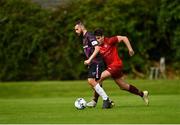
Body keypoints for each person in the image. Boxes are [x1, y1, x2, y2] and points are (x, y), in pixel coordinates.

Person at [86, 28, 149, 107]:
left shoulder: (110, 41)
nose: (97, 40)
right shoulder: (97, 47)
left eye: (98, 38)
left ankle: (95, 101)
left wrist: (130, 49)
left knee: (99, 78)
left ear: (103, 37)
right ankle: (142, 94)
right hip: (111, 68)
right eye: (96, 39)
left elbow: (124, 38)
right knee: (123, 86)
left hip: (116, 65)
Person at [74, 21, 113, 109]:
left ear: (81, 27)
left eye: (77, 29)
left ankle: (106, 99)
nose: (76, 31)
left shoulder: (89, 35)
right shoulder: (84, 38)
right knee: (96, 83)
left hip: (97, 62)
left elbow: (97, 48)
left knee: (91, 81)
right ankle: (107, 100)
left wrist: (89, 60)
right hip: (93, 63)